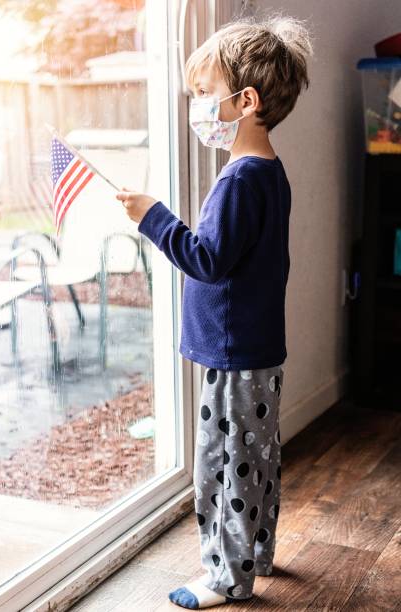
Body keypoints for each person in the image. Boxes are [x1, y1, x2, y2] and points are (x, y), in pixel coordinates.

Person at [116, 12, 313, 609]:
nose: (196, 106)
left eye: (204, 94)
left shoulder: (238, 181)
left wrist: (152, 216)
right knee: (258, 458)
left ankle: (226, 577)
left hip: (231, 356)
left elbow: (206, 259)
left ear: (244, 100)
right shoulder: (269, 172)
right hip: (257, 347)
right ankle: (257, 549)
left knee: (224, 467)